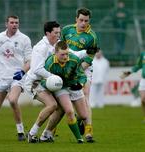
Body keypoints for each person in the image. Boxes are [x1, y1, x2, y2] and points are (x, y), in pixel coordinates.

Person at [0, 15, 32, 141]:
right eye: (12, 22)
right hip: (2, 78)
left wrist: (23, 72)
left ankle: (20, 132)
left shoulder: (24, 39)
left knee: (13, 100)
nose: (14, 25)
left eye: (17, 23)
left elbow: (30, 61)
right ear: (6, 24)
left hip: (17, 77)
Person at [60, 7, 99, 142]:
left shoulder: (92, 37)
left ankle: (89, 132)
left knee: (85, 96)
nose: (83, 23)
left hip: (84, 68)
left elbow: (89, 59)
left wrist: (76, 71)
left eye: (86, 21)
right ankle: (49, 131)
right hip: (66, 66)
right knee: (60, 100)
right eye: (81, 20)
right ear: (76, 19)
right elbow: (59, 48)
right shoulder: (66, 30)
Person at [40, 41, 88, 143]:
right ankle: (79, 139)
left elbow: (82, 75)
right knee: (69, 111)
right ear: (55, 53)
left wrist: (81, 84)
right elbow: (43, 80)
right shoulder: (50, 63)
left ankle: (77, 119)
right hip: (61, 88)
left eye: (67, 53)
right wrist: (50, 85)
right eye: (62, 54)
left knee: (84, 116)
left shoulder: (74, 60)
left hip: (74, 86)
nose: (65, 57)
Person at [24, 21, 61, 143]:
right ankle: (32, 133)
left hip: (47, 81)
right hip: (34, 82)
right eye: (56, 33)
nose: (58, 35)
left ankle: (46, 135)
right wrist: (53, 76)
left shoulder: (57, 44)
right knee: (52, 105)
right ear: (47, 33)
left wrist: (85, 53)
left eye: (59, 32)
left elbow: (70, 53)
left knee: (62, 107)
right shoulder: (41, 47)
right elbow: (37, 69)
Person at [120, 51, 145, 122]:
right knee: (143, 99)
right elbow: (138, 65)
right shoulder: (143, 54)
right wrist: (130, 72)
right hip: (143, 80)